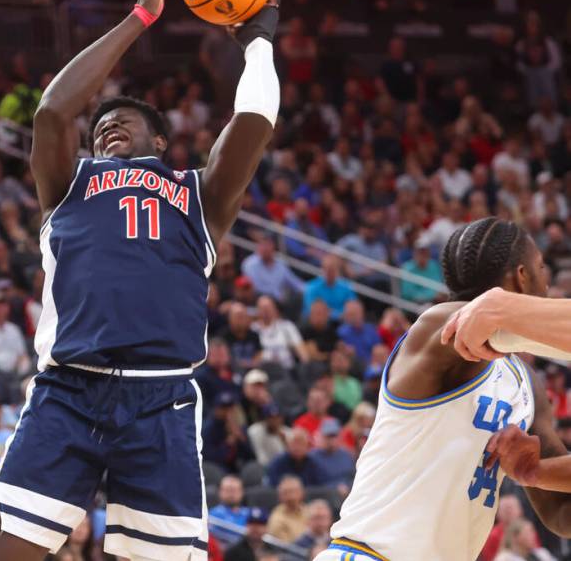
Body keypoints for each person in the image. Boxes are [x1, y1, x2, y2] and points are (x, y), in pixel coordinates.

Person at [0, 0, 281, 561]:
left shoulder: (198, 193)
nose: (108, 121)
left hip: (161, 398)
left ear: (161, 144)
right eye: (102, 121)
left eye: (127, 118)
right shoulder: (69, 182)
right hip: (68, 391)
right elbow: (54, 111)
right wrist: (141, 16)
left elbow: (251, 126)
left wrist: (260, 43)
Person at [313, 217, 571, 561]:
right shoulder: (438, 328)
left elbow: (561, 514)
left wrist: (535, 473)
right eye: (542, 268)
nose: (548, 281)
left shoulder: (525, 382)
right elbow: (493, 325)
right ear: (523, 277)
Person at [209, 475, 249, 549]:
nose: (231, 494)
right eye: (227, 490)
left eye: (234, 490)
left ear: (242, 492)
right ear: (220, 491)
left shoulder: (249, 514)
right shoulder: (212, 515)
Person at [267, 476, 307, 544]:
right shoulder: (276, 518)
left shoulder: (309, 511)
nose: (291, 497)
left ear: (302, 493)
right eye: (286, 493)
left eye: (294, 492)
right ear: (280, 496)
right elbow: (286, 547)